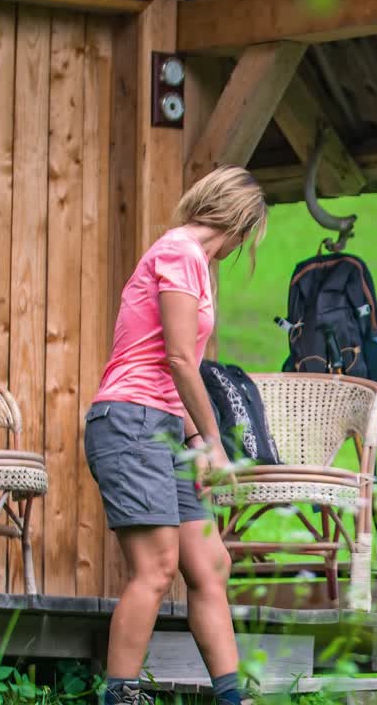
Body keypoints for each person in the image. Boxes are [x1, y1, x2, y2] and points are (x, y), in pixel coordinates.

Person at [83, 165, 268, 705]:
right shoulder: (181, 252)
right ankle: (121, 694)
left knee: (210, 564)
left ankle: (233, 697)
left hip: (163, 426)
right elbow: (183, 360)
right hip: (130, 421)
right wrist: (213, 442)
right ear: (242, 224)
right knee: (158, 566)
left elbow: (172, 372)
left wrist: (191, 442)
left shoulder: (195, 262)